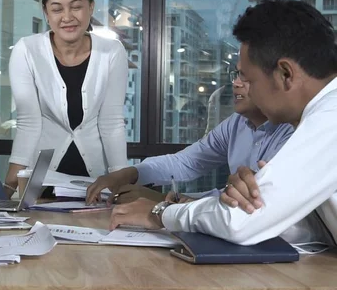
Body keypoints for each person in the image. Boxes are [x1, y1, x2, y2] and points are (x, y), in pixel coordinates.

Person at [108, 0, 337, 247]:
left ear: (285, 74)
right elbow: (299, 226)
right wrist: (251, 199)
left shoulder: (329, 117)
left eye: (249, 79)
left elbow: (239, 223)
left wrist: (160, 213)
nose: (241, 86)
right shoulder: (314, 115)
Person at [86, 68, 294, 205]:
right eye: (235, 74)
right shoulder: (236, 124)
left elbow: (249, 203)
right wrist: (131, 173)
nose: (236, 83)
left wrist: (165, 201)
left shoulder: (293, 130)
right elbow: (187, 162)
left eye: (246, 76)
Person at [4, 0, 129, 198]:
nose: (67, 16)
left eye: (76, 6)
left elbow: (111, 122)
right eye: (57, 9)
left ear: (91, 7)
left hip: (96, 182)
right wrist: (15, 175)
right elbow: (28, 122)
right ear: (46, 12)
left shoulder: (112, 52)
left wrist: (120, 180)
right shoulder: (27, 50)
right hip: (41, 180)